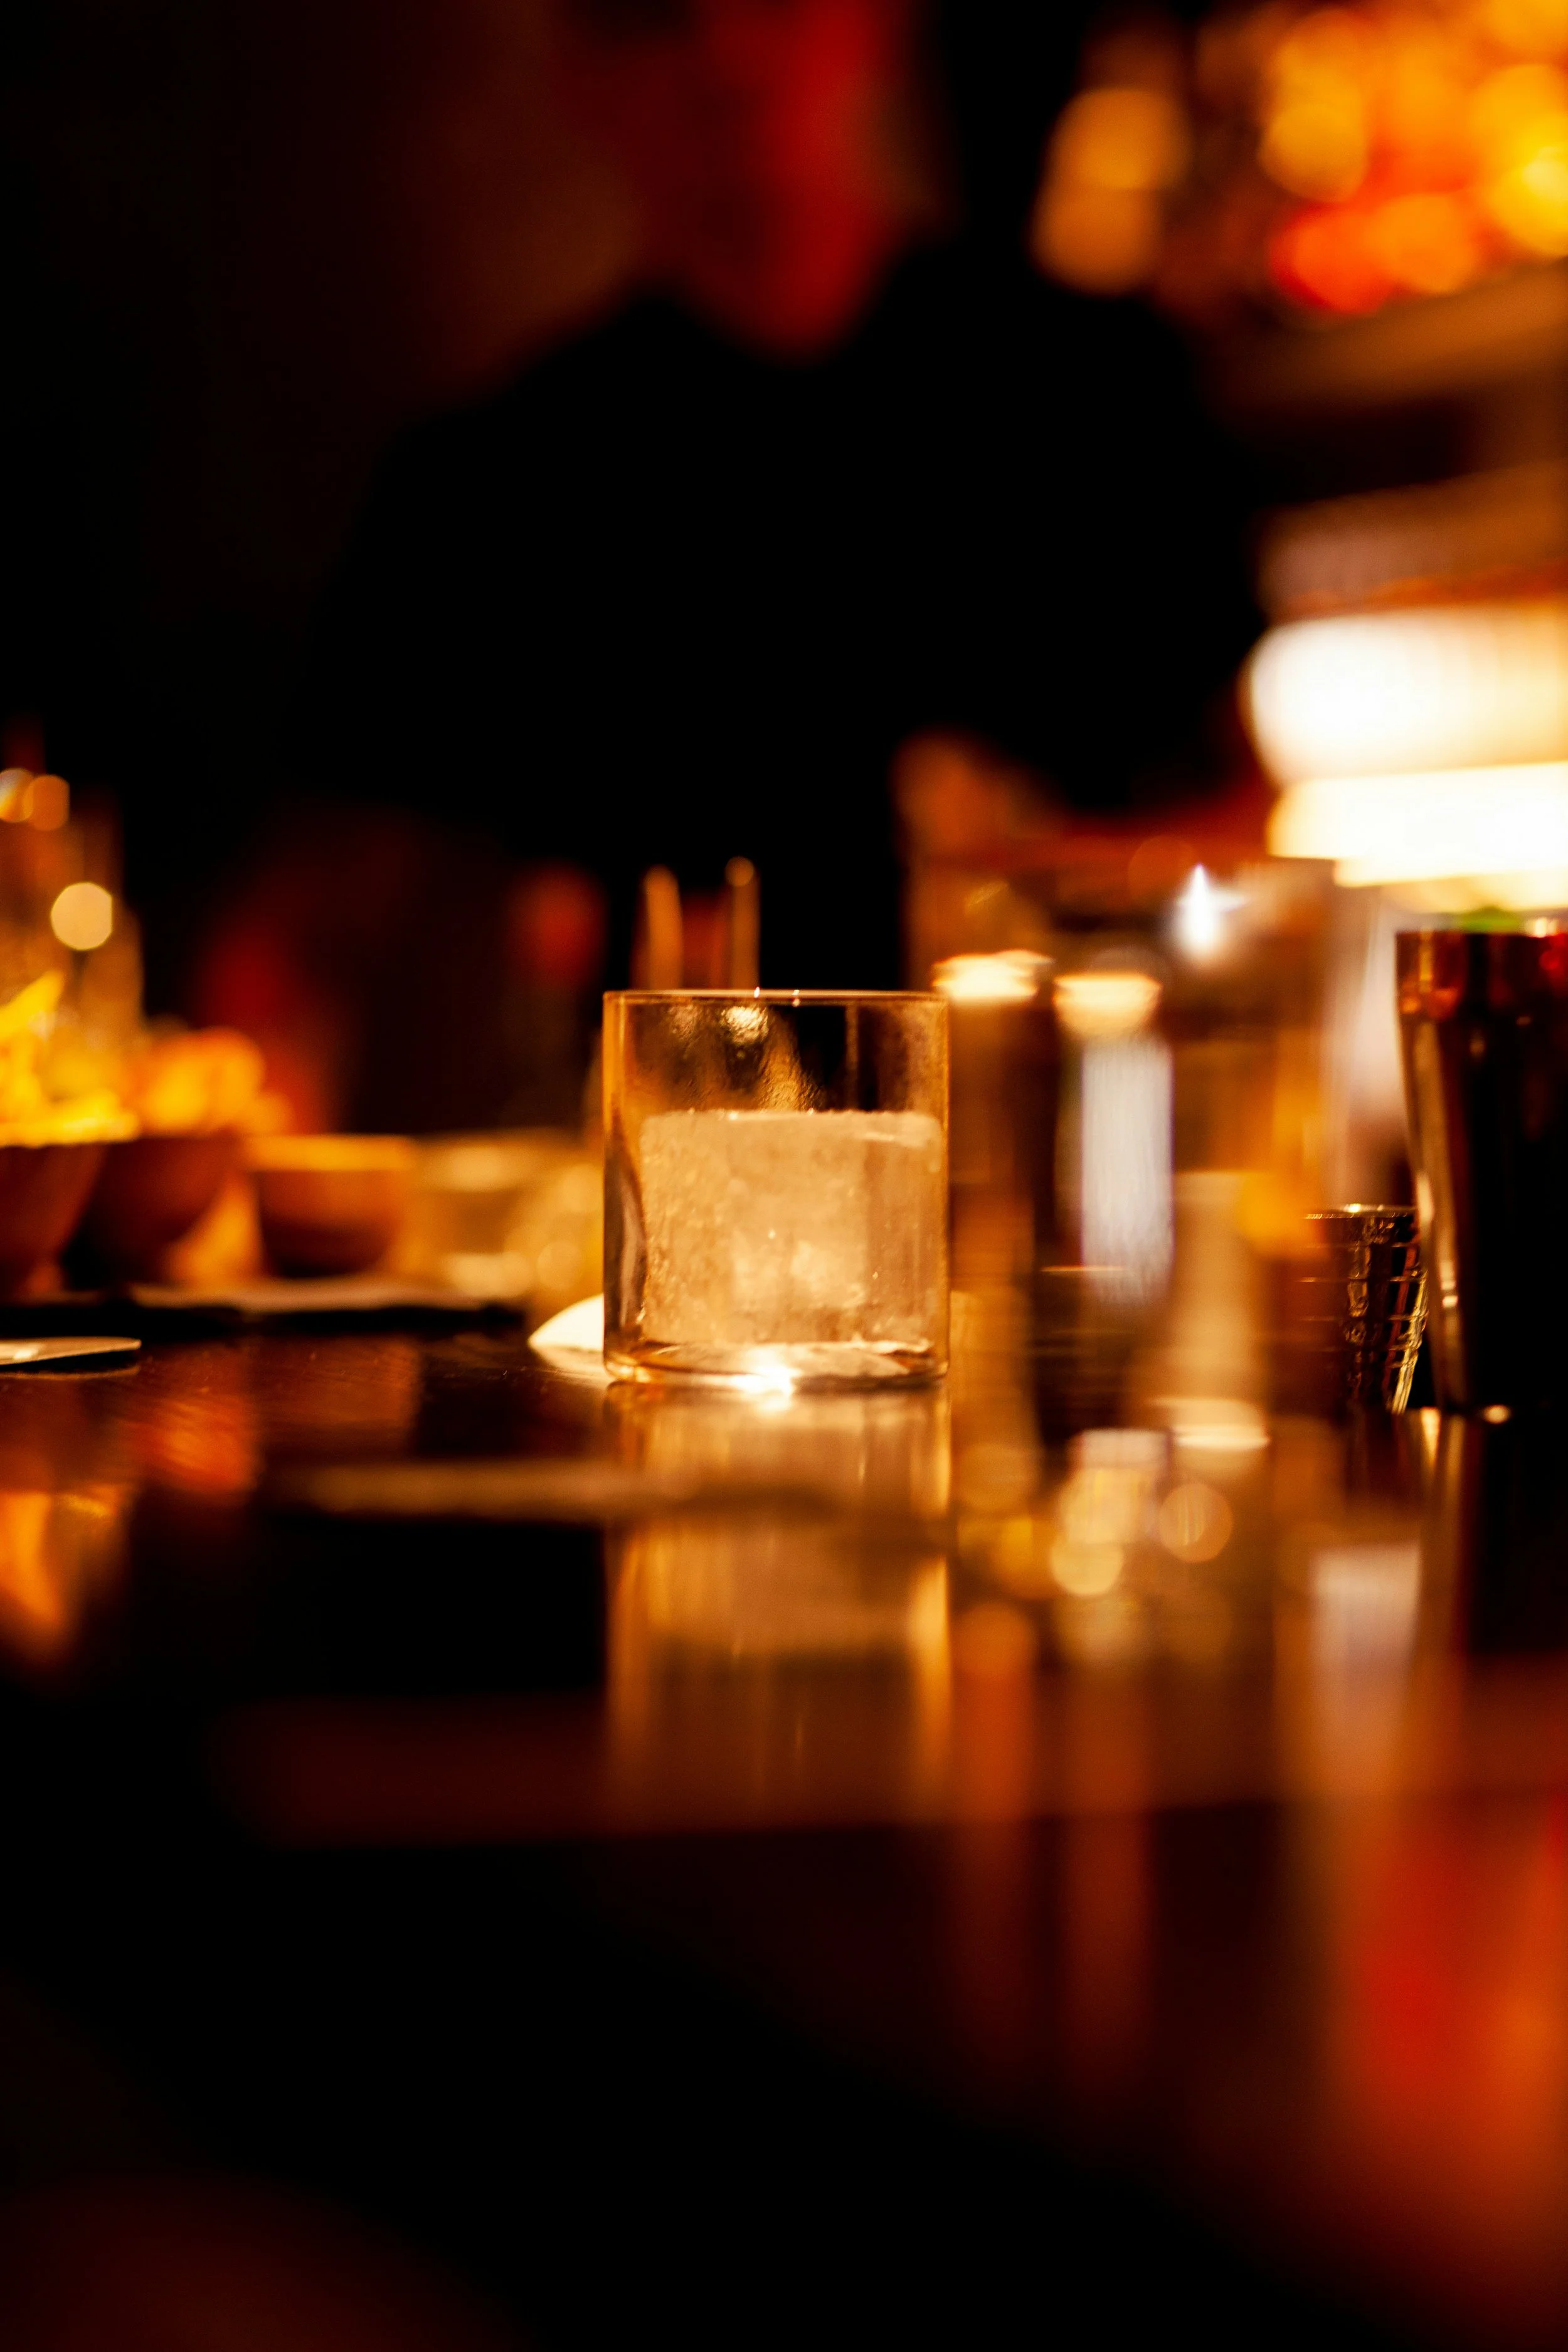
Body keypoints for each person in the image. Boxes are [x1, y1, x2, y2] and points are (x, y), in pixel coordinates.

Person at [288, 0, 1256, 1004]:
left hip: (1064, 1130)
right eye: (654, 18)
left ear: (877, 23)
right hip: (659, 1146)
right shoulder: (488, 481)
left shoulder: (1104, 393)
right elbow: (310, 938)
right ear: (576, 76)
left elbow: (1245, 828)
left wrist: (1044, 886)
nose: (724, 53)